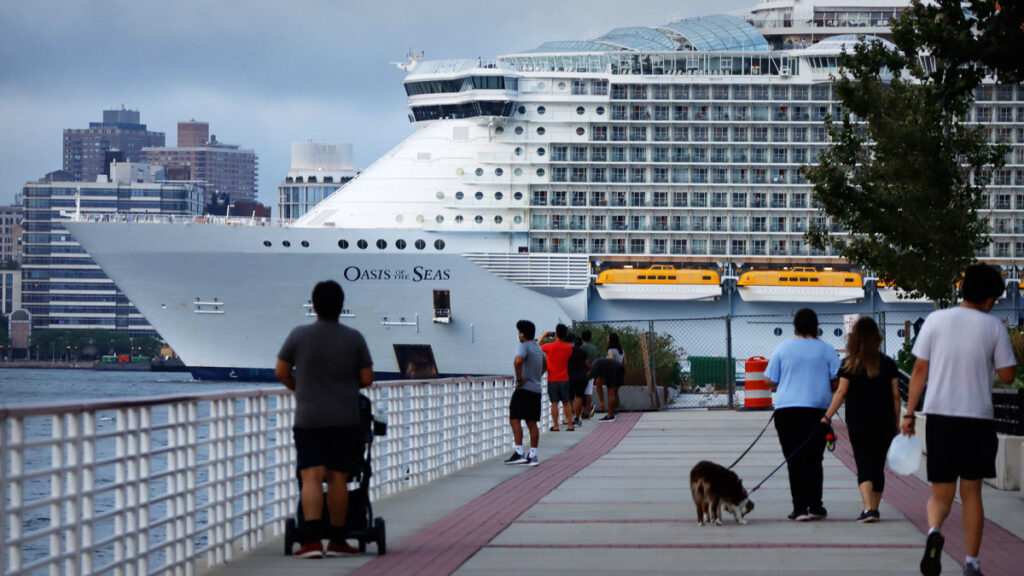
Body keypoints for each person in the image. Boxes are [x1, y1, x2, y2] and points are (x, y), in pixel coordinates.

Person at [903, 264, 1015, 576]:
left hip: (939, 417)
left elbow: (920, 372)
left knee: (940, 494)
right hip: (976, 420)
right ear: (991, 298)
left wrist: (909, 414)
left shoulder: (936, 320)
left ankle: (934, 531)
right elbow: (1008, 377)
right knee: (972, 494)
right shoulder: (993, 328)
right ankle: (972, 563)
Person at [276, 280, 373, 558]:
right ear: (342, 307)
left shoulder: (298, 335)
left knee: (311, 476)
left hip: (309, 417)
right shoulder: (354, 337)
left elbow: (281, 372)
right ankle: (339, 541)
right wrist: (343, 386)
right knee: (338, 477)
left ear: (314, 305)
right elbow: (367, 378)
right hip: (345, 417)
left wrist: (301, 388)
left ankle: (311, 542)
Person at [821, 316, 900, 523]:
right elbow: (896, 396)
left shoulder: (849, 364)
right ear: (877, 338)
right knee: (878, 465)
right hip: (885, 423)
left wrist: (827, 416)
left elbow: (841, 392)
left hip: (859, 422)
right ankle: (875, 508)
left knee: (863, 464)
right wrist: (897, 422)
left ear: (854, 339)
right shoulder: (888, 363)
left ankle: (868, 509)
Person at [765, 308, 839, 522]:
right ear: (816, 326)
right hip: (817, 413)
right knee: (815, 460)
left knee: (794, 459)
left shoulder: (783, 348)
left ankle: (799, 509)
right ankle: (816, 505)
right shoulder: (827, 350)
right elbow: (836, 381)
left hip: (787, 412)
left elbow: (770, 380)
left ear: (795, 326)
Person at [505, 320, 546, 466]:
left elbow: (518, 361)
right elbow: (545, 366)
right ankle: (533, 455)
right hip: (536, 389)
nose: (518, 335)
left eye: (518, 332)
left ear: (522, 334)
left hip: (523, 389)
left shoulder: (523, 346)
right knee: (532, 423)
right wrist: (536, 376)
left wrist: (519, 379)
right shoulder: (538, 348)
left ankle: (519, 452)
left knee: (514, 418)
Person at [541, 324, 575, 431]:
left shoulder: (548, 346)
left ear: (556, 334)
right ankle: (570, 425)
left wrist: (543, 336)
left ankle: (556, 425)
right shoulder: (568, 348)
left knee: (554, 403)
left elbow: (536, 348)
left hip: (552, 379)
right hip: (564, 378)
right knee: (567, 402)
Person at [599, 332, 626, 422]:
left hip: (612, 373)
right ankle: (615, 410)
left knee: (611, 393)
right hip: (620, 372)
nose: (607, 339)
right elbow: (624, 362)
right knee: (615, 393)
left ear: (611, 340)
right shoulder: (621, 350)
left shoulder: (611, 350)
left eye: (608, 338)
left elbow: (609, 359)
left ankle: (610, 414)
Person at [589, 357, 624, 422]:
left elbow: (598, 385)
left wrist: (602, 401)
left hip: (610, 368)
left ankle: (610, 415)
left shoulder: (593, 369)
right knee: (615, 392)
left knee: (610, 392)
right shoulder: (595, 365)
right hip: (620, 367)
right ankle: (614, 411)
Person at [567, 334, 590, 427]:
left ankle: (569, 418)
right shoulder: (582, 352)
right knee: (579, 397)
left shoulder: (566, 351)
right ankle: (577, 418)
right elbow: (588, 364)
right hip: (581, 376)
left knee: (569, 398)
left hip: (569, 376)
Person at [579, 330, 600, 416]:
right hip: (592, 371)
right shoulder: (593, 348)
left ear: (582, 337)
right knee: (588, 392)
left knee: (582, 393)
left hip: (584, 372)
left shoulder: (582, 348)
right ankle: (587, 410)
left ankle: (584, 410)